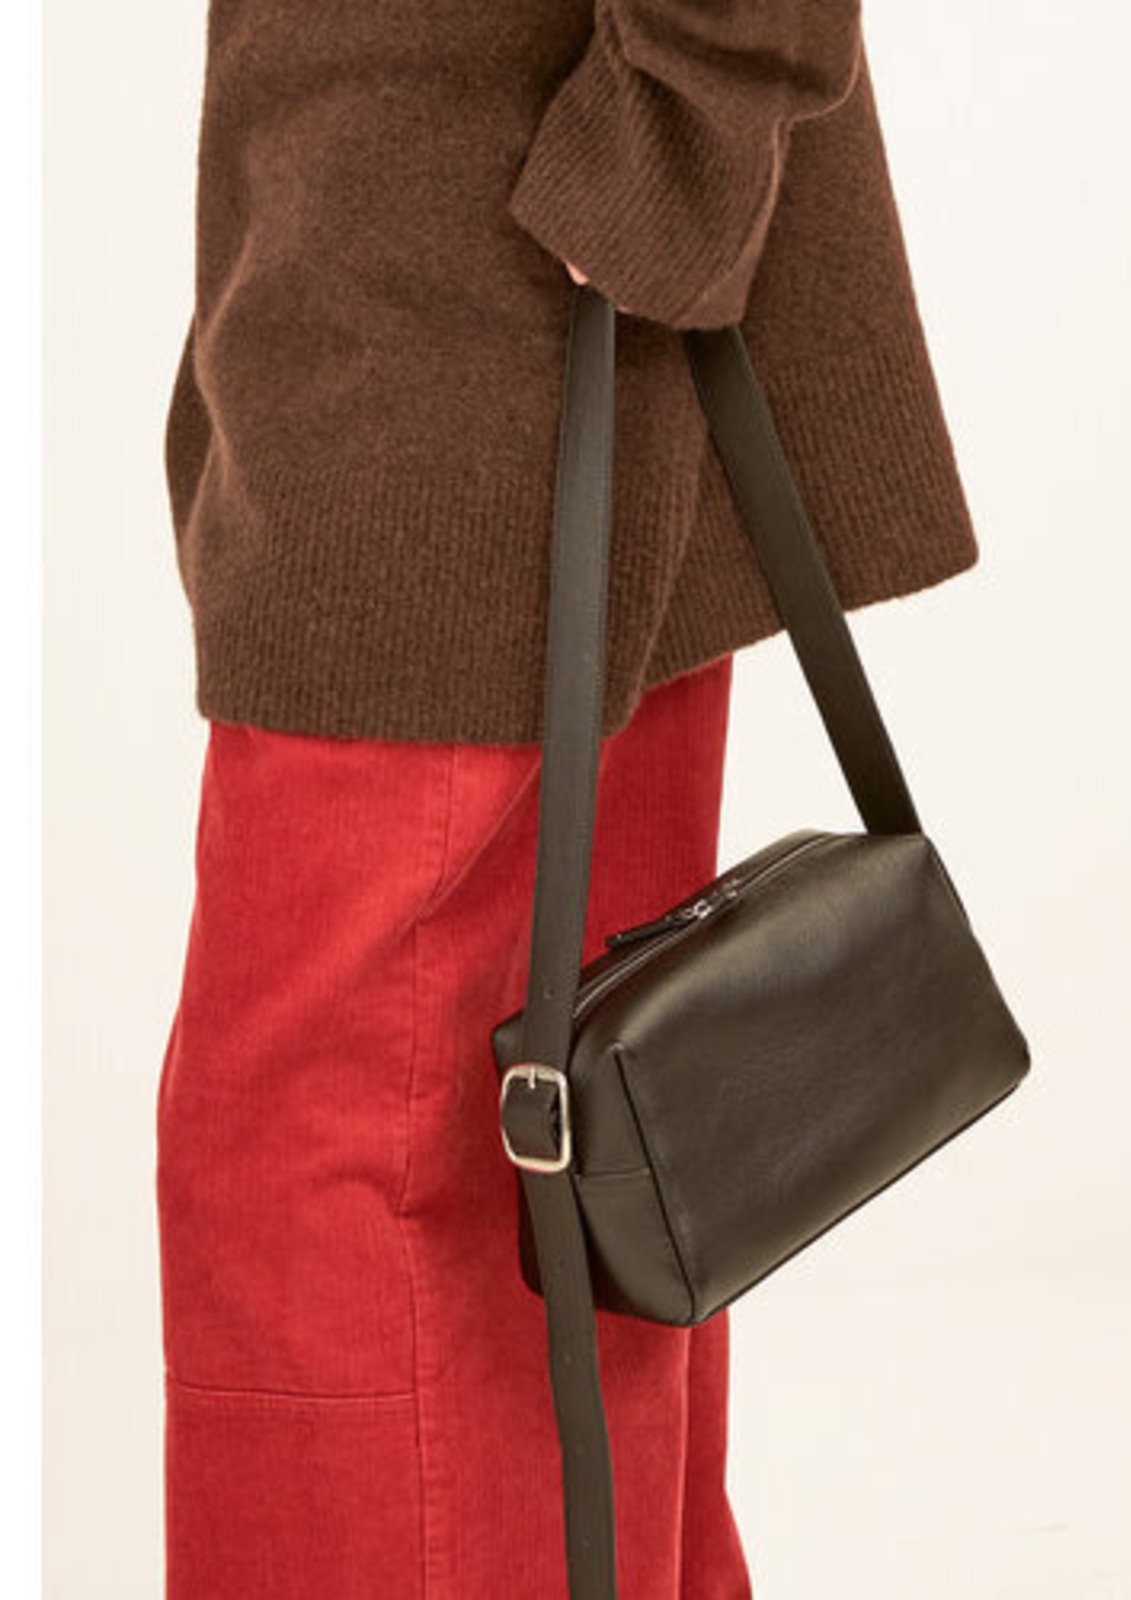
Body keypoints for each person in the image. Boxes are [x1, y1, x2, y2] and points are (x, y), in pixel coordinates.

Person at [154, 2, 982, 1595]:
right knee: (575, 1149)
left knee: (336, 1158)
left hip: (482, 321)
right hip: (429, 293)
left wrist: (677, 122)